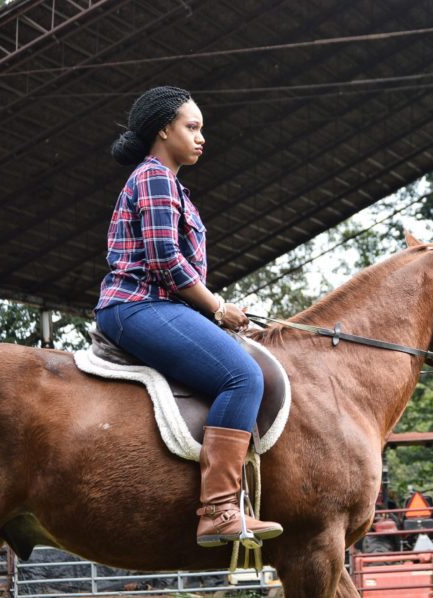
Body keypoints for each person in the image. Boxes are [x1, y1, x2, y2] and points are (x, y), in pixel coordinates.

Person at [93, 86, 282, 547]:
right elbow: (164, 260)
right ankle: (218, 510)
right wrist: (218, 308)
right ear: (163, 129)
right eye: (191, 127)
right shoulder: (154, 177)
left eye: (201, 129)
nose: (202, 138)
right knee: (243, 377)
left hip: (157, 305)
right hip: (138, 305)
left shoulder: (170, 183)